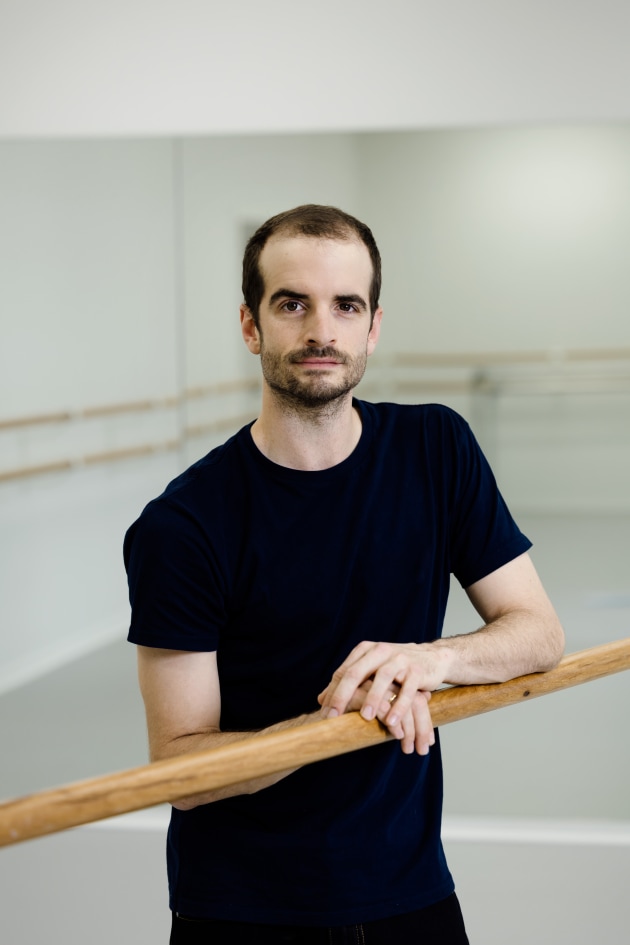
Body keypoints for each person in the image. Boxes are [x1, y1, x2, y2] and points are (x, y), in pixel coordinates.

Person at [124, 204, 564, 944]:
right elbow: (180, 768)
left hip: (408, 883)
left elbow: (538, 631)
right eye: (291, 303)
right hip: (242, 906)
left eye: (345, 305)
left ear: (373, 326)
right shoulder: (183, 526)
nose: (321, 330)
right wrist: (332, 723)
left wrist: (432, 659)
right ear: (250, 325)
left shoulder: (437, 450)